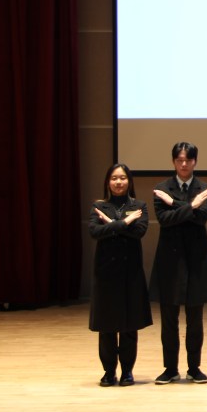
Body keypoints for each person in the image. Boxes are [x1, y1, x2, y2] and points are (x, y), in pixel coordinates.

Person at [150, 141, 207, 384]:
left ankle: (194, 367)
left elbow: (201, 219)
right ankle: (170, 368)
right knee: (169, 321)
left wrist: (174, 204)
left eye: (188, 160)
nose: (183, 164)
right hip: (170, 263)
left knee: (195, 320)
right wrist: (191, 206)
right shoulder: (161, 189)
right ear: (173, 161)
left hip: (196, 262)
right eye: (179, 160)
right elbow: (165, 220)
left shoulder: (206, 190)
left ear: (195, 162)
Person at [88, 163, 152, 387]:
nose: (118, 182)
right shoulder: (99, 206)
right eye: (114, 178)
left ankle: (127, 371)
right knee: (106, 327)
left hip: (130, 273)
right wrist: (124, 223)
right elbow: (95, 232)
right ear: (108, 182)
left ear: (129, 181)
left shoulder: (139, 206)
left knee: (129, 326)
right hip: (105, 273)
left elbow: (139, 232)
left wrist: (111, 225)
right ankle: (108, 372)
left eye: (122, 178)